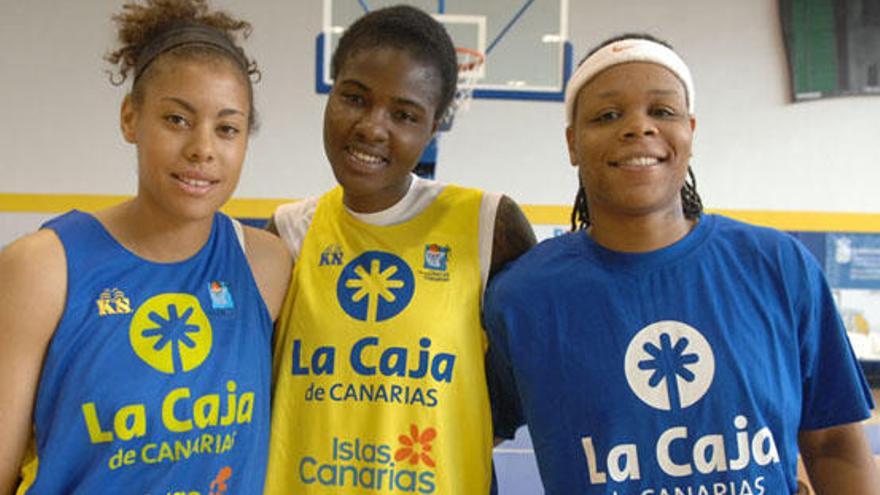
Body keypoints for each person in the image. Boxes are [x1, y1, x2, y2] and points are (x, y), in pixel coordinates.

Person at [483, 34, 880, 494]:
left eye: (662, 111)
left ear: (690, 130)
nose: (638, 127)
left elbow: (833, 443)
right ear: (573, 143)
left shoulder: (779, 266)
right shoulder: (522, 297)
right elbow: (467, 440)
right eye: (607, 115)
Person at [0, 1, 291, 493]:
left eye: (227, 128)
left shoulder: (265, 263)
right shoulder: (43, 267)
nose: (203, 148)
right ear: (131, 118)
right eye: (177, 119)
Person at [263, 5, 536, 494]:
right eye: (354, 98)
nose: (372, 126)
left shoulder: (488, 224)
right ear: (331, 92)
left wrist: (471, 431)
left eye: (404, 114)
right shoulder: (287, 232)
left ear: (433, 127)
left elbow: (528, 370)